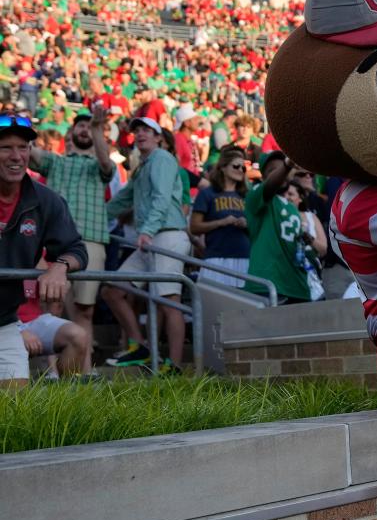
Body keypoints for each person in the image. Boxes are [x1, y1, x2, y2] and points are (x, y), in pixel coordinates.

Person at [0, 113, 87, 384]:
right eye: (6, 148)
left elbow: (75, 248)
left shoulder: (45, 200)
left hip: (4, 321)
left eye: (23, 147)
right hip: (11, 319)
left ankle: (66, 408)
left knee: (15, 410)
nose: (16, 156)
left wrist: (60, 266)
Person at [101, 116, 192, 371]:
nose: (140, 134)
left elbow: (162, 199)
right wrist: (92, 219)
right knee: (112, 290)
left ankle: (174, 365)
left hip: (166, 235)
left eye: (146, 130)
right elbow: (121, 201)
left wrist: (147, 231)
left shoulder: (162, 158)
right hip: (150, 238)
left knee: (169, 299)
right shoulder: (142, 165)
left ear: (158, 136)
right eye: (137, 130)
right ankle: (140, 346)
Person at [28, 104, 113, 354]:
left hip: (91, 239)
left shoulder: (98, 166)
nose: (85, 130)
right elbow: (28, 152)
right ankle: (54, 374)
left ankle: (81, 373)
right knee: (52, 307)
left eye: (90, 126)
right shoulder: (55, 162)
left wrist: (98, 129)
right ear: (72, 131)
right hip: (54, 243)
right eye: (81, 125)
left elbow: (106, 163)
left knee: (85, 309)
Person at [244, 153, 314, 304]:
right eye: (272, 171)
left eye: (281, 168)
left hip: (297, 284)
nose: (280, 173)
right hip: (268, 283)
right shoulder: (255, 196)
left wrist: (305, 239)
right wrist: (287, 165)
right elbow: (269, 187)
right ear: (263, 178)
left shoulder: (292, 207)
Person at [190, 148, 250, 288]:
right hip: (216, 258)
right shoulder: (207, 194)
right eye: (236, 166)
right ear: (223, 167)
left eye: (243, 167)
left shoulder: (247, 195)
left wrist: (247, 224)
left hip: (245, 258)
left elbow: (257, 228)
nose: (240, 169)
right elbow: (194, 227)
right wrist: (221, 222)